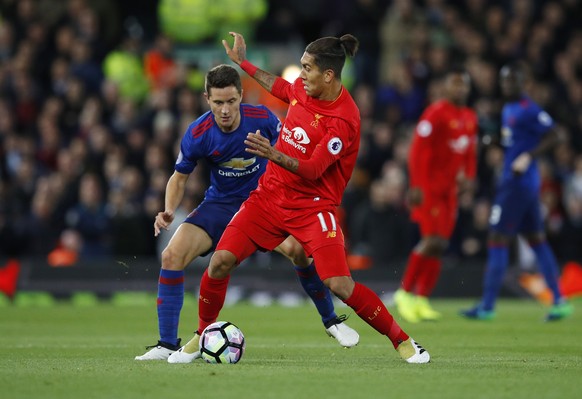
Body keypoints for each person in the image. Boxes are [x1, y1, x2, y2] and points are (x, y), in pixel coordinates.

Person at [168, 32, 430, 364]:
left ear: (329, 75)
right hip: (269, 197)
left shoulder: (343, 119)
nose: (301, 75)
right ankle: (203, 336)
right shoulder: (304, 89)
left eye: (307, 68)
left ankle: (403, 340)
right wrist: (242, 63)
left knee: (339, 283)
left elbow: (313, 170)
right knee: (220, 262)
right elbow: (277, 85)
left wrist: (271, 153)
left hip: (314, 207)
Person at [135, 64, 359, 361]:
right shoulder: (198, 132)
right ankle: (167, 344)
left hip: (265, 202)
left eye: (231, 101)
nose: (225, 110)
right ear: (207, 99)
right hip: (220, 205)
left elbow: (293, 149)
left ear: (241, 96)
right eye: (218, 103)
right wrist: (168, 210)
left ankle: (331, 320)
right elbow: (179, 177)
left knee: (299, 251)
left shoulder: (263, 119)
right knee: (171, 256)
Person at [461, 63, 574, 321]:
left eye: (512, 81)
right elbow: (513, 142)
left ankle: (488, 306)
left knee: (497, 238)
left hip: (517, 184)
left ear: (523, 83)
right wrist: (495, 142)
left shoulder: (528, 108)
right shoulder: (509, 109)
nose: (508, 85)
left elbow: (556, 135)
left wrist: (527, 156)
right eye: (505, 81)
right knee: (536, 239)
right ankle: (559, 300)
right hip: (521, 184)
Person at [394, 67, 478, 323]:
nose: (459, 89)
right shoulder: (435, 113)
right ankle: (404, 293)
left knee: (441, 244)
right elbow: (417, 151)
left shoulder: (469, 117)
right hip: (429, 187)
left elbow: (470, 152)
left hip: (449, 190)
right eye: (455, 84)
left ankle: (422, 299)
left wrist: (470, 176)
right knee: (431, 240)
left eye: (463, 85)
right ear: (446, 88)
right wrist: (416, 185)